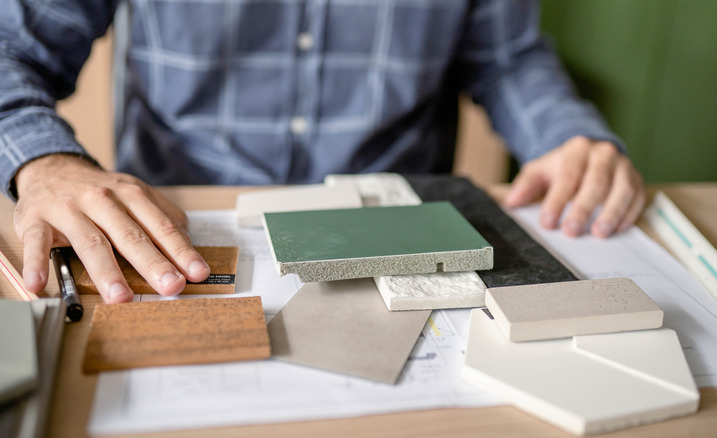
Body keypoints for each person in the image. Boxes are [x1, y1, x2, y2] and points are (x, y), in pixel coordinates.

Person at [0, 0, 644, 304]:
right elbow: (12, 48)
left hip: (400, 235)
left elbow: (508, 59)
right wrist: (44, 162)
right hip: (183, 231)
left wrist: (565, 134)